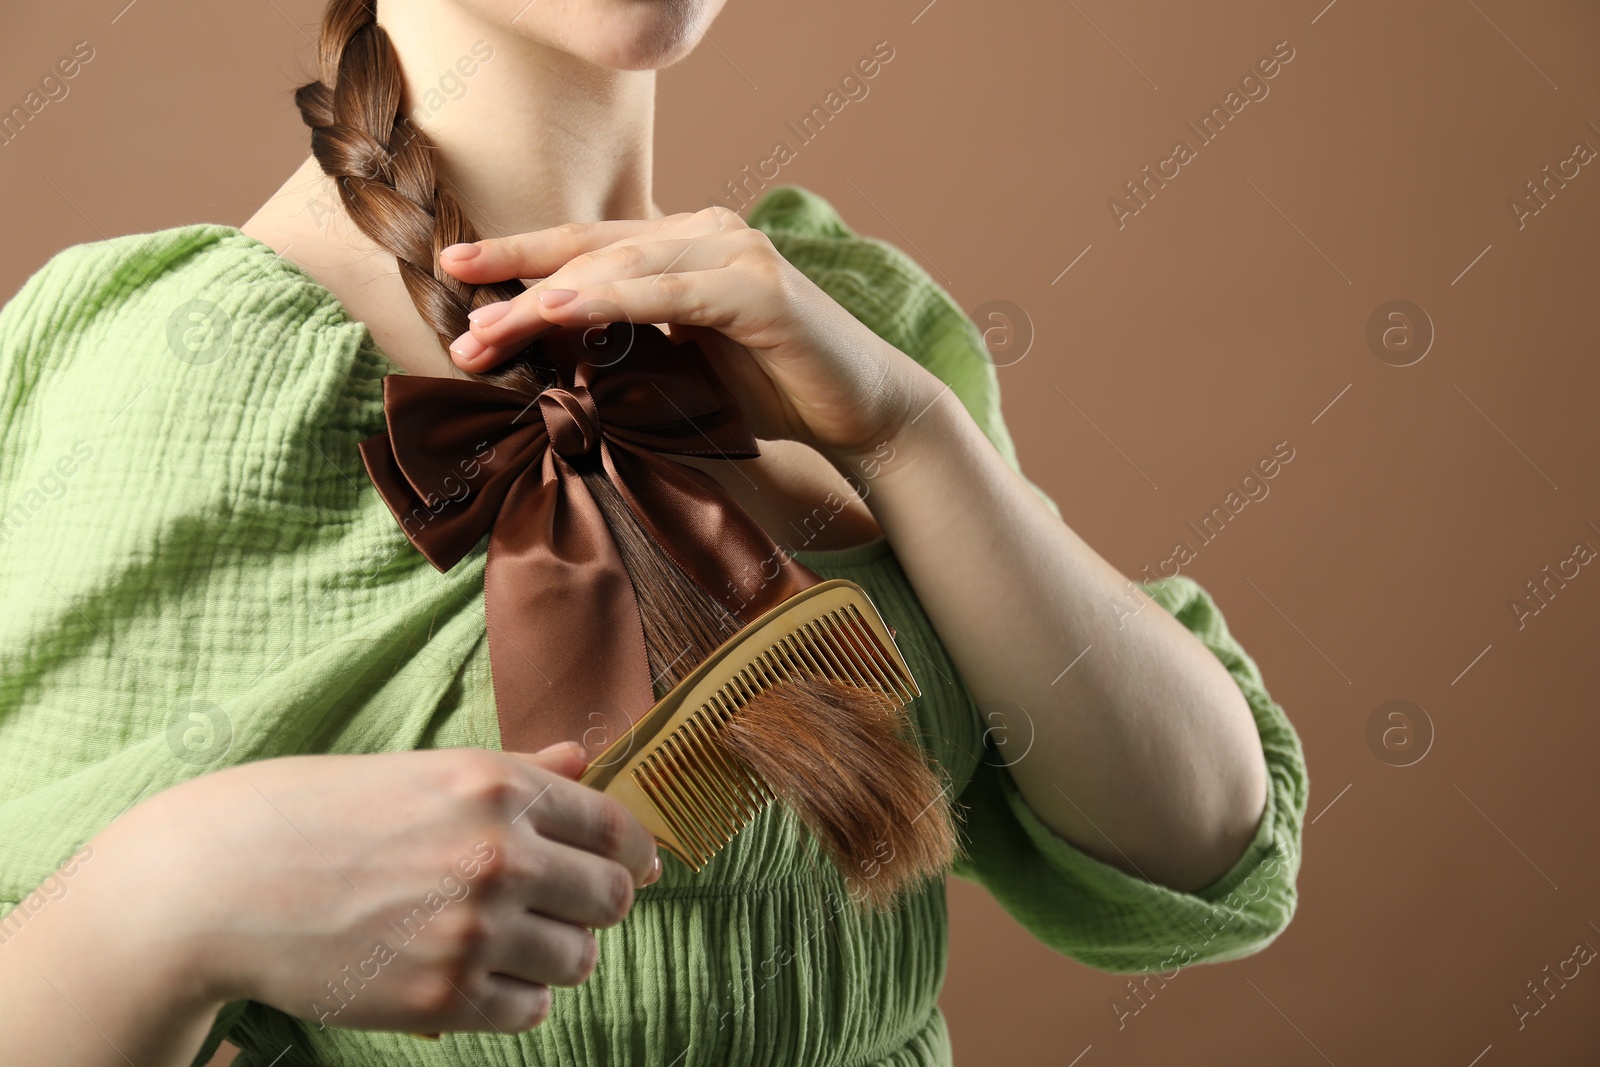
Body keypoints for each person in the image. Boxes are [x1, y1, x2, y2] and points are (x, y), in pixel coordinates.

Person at [0, 0, 1309, 1064]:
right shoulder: (175, 375)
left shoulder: (839, 320)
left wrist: (912, 439)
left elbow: (1201, 850)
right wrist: (164, 892)